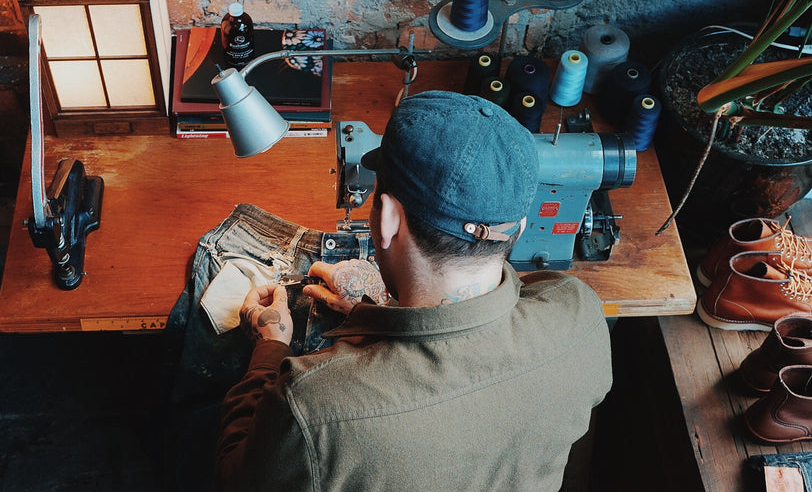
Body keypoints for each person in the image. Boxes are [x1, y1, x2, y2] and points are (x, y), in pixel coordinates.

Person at [215, 90, 612, 492]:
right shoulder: (579, 315)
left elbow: (236, 479)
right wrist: (378, 307)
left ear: (386, 219)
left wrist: (269, 348)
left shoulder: (311, 407)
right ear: (519, 229)